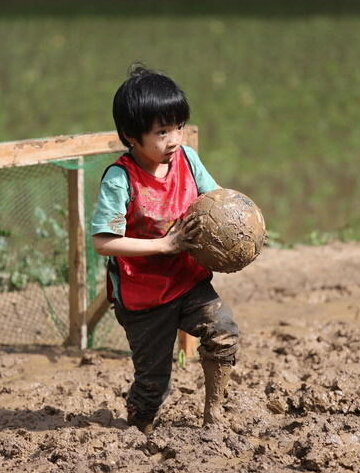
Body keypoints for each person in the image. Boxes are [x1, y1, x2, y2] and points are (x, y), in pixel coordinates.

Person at [92, 65, 239, 434]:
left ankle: (214, 417)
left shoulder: (187, 159)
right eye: (161, 132)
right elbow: (102, 242)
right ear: (131, 136)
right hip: (144, 298)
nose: (173, 139)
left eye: (178, 127)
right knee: (154, 383)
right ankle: (138, 428)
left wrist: (244, 230)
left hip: (188, 282)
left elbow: (216, 200)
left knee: (223, 331)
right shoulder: (120, 178)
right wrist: (165, 244)